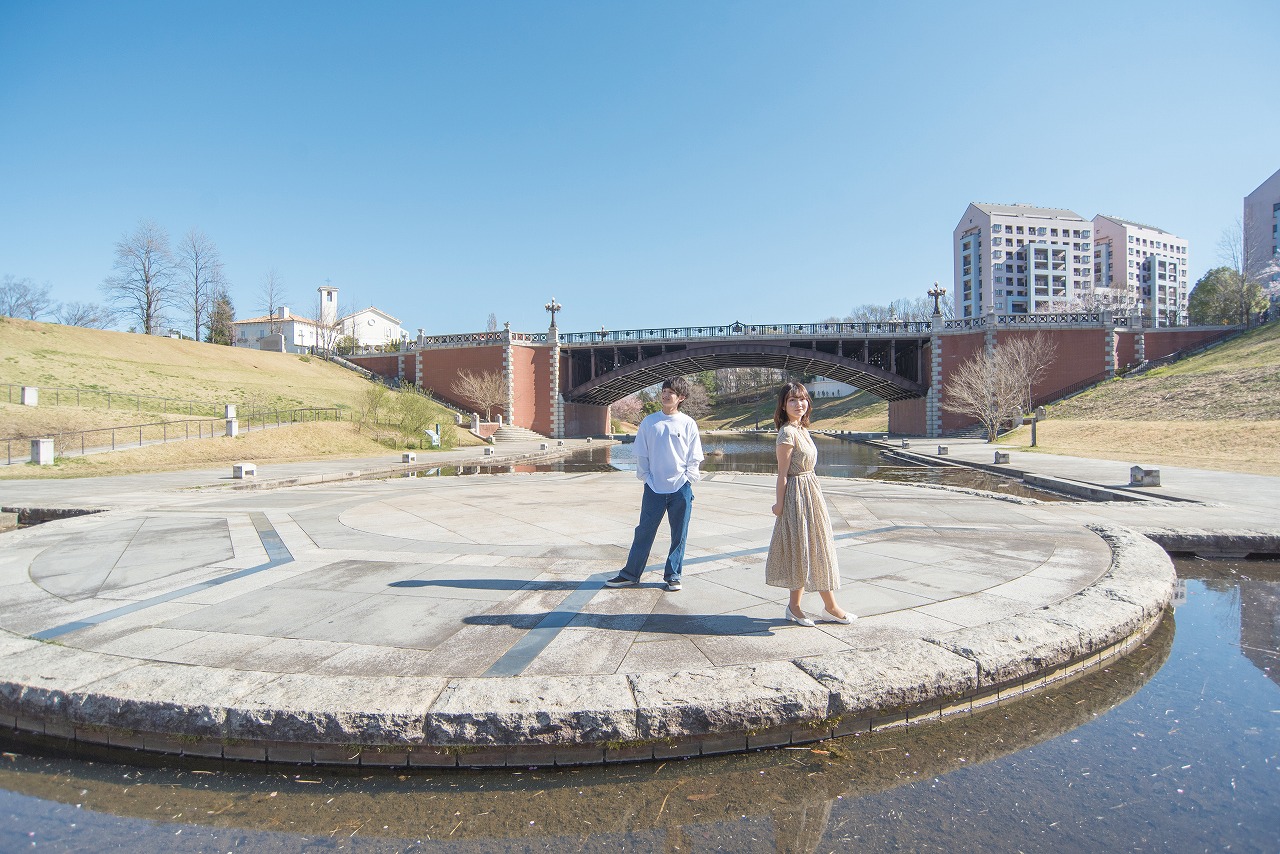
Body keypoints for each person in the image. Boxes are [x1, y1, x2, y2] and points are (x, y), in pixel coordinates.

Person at [764, 381, 854, 626]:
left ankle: (824, 607)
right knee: (804, 549)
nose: (798, 404)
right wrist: (779, 505)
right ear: (783, 405)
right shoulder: (787, 433)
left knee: (814, 548)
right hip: (797, 496)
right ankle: (805, 607)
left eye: (802, 399)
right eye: (792, 400)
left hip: (811, 493)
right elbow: (782, 474)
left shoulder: (802, 429)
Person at [605, 377, 704, 592]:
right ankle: (631, 574)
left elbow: (694, 456)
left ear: (681, 398)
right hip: (654, 488)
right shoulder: (650, 422)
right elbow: (642, 453)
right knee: (644, 532)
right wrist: (646, 478)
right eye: (665, 391)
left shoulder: (688, 423)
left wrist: (688, 478)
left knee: (679, 533)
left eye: (672, 392)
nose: (666, 395)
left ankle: (673, 575)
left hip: (681, 487)